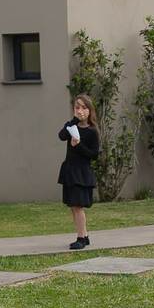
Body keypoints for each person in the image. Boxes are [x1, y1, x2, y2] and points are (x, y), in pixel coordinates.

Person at [58, 95, 100, 250]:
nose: (80, 111)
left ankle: (80, 238)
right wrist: (74, 122)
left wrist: (79, 146)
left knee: (78, 206)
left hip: (82, 173)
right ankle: (85, 234)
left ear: (90, 111)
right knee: (72, 205)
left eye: (84, 108)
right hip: (70, 169)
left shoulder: (92, 132)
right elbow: (61, 136)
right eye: (77, 107)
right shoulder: (71, 127)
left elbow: (94, 155)